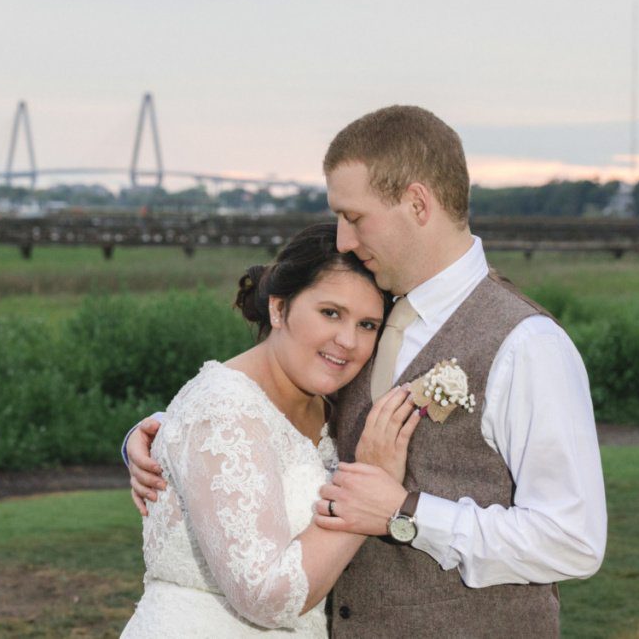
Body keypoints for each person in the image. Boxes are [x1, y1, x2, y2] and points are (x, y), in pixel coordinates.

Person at [127, 105, 607, 637]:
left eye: (354, 218)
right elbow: (269, 423)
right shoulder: (367, 322)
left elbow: (573, 540)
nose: (342, 240)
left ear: (417, 203)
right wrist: (163, 436)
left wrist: (406, 511)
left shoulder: (527, 345)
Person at [121, 223, 422, 637]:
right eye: (330, 313)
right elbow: (264, 594)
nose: (348, 341)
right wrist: (370, 489)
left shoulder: (335, 407)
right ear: (279, 310)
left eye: (368, 325)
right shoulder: (221, 409)